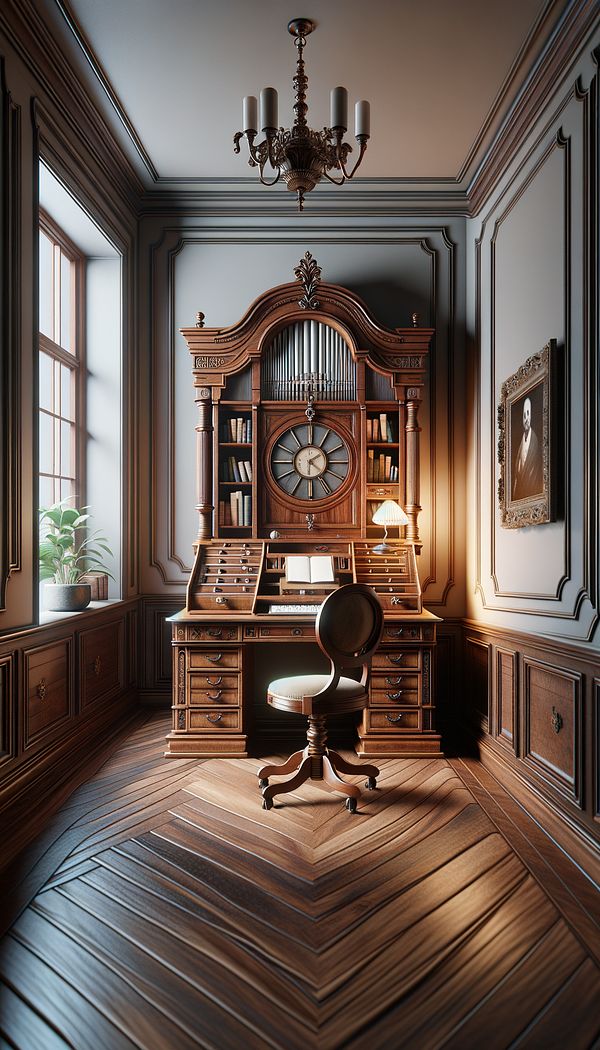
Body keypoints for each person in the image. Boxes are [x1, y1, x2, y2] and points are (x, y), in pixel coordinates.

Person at [512, 395, 543, 501]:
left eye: (528, 414)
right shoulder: (521, 441)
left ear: (531, 416)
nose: (526, 419)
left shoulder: (534, 440)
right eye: (524, 415)